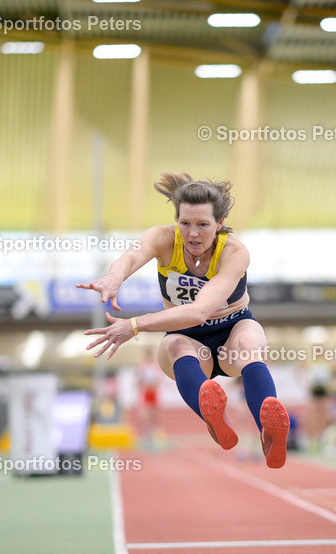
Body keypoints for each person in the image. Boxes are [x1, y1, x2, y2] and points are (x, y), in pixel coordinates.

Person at [79, 173, 290, 468]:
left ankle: (268, 430)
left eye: (203, 225)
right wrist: (115, 275)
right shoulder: (163, 238)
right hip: (187, 338)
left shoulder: (234, 252)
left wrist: (134, 325)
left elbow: (199, 311)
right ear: (176, 220)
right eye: (185, 223)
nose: (192, 234)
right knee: (177, 346)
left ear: (220, 222)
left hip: (231, 329)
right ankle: (213, 419)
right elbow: (132, 256)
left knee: (247, 343)